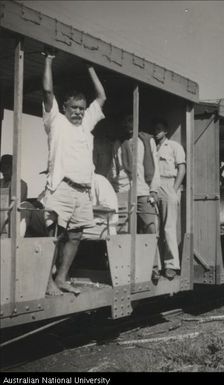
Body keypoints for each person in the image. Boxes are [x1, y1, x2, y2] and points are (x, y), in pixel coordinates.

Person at [41, 50, 106, 295]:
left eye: (81, 108)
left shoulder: (86, 124)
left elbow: (101, 96)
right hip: (62, 186)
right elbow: (48, 91)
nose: (78, 112)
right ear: (64, 107)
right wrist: (48, 60)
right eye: (74, 108)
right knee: (54, 236)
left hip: (82, 191)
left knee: (76, 236)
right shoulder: (55, 121)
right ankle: (46, 280)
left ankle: (61, 278)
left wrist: (90, 66)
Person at [116, 115, 162, 280]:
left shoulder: (147, 140)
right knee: (126, 231)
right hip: (126, 192)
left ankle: (154, 267)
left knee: (150, 228)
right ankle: (129, 269)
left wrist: (154, 190)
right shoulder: (121, 145)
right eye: (125, 122)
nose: (128, 125)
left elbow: (155, 167)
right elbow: (119, 170)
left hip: (143, 191)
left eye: (130, 121)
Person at [153, 118, 186, 279]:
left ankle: (171, 265)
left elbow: (181, 168)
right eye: (155, 129)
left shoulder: (174, 146)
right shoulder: (152, 146)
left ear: (165, 131)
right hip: (154, 186)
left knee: (169, 228)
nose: (156, 131)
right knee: (154, 227)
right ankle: (157, 265)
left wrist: (174, 189)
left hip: (168, 184)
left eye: (160, 129)